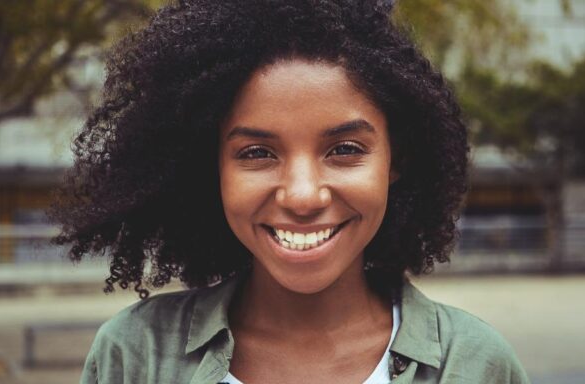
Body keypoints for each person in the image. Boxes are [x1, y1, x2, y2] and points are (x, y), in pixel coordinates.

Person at [49, 0, 529, 383]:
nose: (302, 196)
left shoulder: (475, 364)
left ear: (396, 160)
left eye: (343, 148)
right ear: (209, 167)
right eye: (257, 153)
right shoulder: (135, 356)